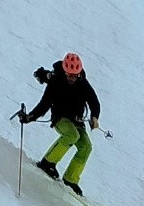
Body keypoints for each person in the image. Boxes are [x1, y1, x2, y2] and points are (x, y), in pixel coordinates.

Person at [19, 52, 101, 197]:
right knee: (71, 135)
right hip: (60, 118)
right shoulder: (55, 81)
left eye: (74, 75)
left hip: (77, 121)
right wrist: (30, 117)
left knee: (86, 147)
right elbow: (44, 104)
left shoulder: (83, 82)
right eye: (69, 75)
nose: (72, 78)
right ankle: (47, 163)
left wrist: (95, 117)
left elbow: (94, 101)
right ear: (64, 71)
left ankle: (71, 179)